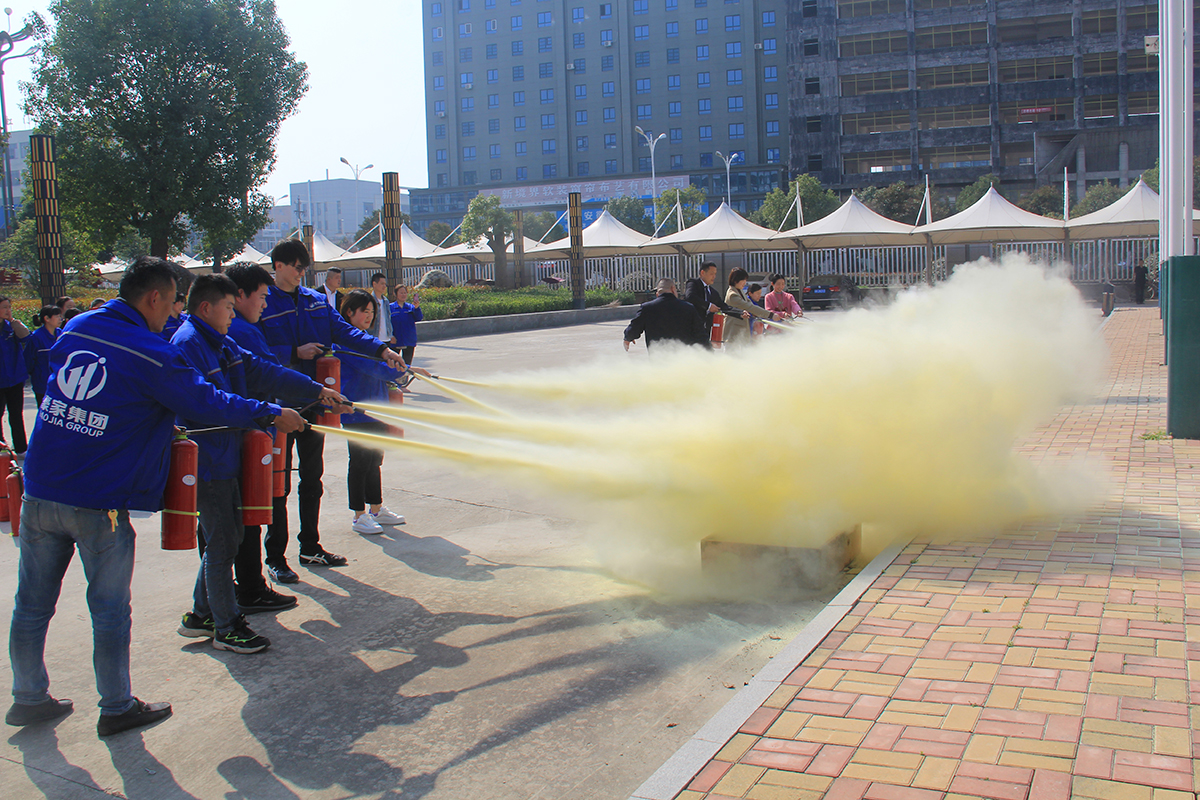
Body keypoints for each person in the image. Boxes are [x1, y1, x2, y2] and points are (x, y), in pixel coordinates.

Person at [7, 257, 305, 737]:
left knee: (32, 604)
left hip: (39, 490)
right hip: (97, 500)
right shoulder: (151, 353)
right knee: (108, 609)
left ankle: (28, 698)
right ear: (153, 298)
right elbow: (207, 401)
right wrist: (270, 414)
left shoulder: (79, 327)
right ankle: (117, 705)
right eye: (170, 303)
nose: (172, 315)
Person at [172, 275, 346, 654]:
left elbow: (263, 371)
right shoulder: (188, 345)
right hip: (208, 462)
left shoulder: (219, 340)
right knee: (221, 545)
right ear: (206, 308)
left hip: (225, 455)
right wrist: (271, 413)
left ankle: (202, 613)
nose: (233, 315)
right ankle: (226, 626)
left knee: (226, 540)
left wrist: (316, 391)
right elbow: (211, 402)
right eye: (229, 308)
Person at [257, 240, 406, 583]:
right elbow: (254, 351)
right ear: (277, 266)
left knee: (312, 478)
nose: (300, 272)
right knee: (278, 484)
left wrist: (382, 350)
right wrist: (294, 352)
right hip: (279, 406)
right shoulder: (264, 303)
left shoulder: (314, 302)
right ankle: (275, 556)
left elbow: (345, 332)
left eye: (303, 266)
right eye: (294, 266)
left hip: (314, 403)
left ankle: (310, 546)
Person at [222, 264, 308, 614]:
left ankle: (245, 588)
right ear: (238, 296)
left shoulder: (240, 330)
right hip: (243, 439)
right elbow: (266, 374)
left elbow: (268, 371)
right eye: (260, 297)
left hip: (254, 432)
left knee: (250, 514)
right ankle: (243, 594)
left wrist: (315, 390)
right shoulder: (239, 333)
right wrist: (279, 411)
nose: (264, 305)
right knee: (245, 518)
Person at [337, 290, 418, 534]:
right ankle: (359, 515)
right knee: (360, 462)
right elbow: (374, 368)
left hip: (377, 409)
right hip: (356, 411)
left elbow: (382, 366)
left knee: (374, 461)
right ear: (350, 312)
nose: (369, 316)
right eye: (365, 311)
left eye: (372, 312)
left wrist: (404, 371)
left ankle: (376, 508)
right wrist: (404, 371)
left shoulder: (368, 340)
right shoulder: (345, 343)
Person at [623, 278, 707, 351]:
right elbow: (700, 334)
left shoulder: (647, 308)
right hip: (682, 359)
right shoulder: (688, 308)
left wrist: (628, 338)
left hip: (658, 358)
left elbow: (634, 328)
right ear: (673, 289)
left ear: (657, 294)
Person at [683, 262, 748, 345]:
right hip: (691, 328)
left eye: (715, 274)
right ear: (702, 273)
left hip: (705, 331)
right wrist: (708, 306)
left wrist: (740, 313)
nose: (714, 277)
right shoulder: (693, 283)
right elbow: (690, 297)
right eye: (711, 274)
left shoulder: (713, 292)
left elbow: (723, 307)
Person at [0, 297, 30, 454]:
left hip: (14, 378)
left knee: (16, 414)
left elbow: (26, 337)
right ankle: (1, 446)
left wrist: (13, 321)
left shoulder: (11, 326)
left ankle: (21, 448)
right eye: (4, 307)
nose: (8, 310)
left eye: (9, 307)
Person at [722, 269, 773, 348]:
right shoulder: (733, 295)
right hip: (733, 335)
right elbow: (750, 307)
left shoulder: (740, 291)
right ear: (735, 280)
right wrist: (770, 315)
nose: (745, 283)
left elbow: (751, 305)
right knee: (732, 358)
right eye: (743, 280)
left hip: (741, 335)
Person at [26, 305, 63, 408]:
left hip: (61, 383)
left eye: (60, 316)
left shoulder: (62, 334)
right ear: (46, 318)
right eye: (57, 316)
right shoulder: (36, 337)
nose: (60, 319)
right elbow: (28, 361)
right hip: (42, 384)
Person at [390, 284, 423, 367]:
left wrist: (417, 308)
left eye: (405, 293)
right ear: (395, 294)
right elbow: (386, 323)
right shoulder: (390, 308)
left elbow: (419, 318)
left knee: (406, 366)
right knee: (393, 366)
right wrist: (390, 335)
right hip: (395, 341)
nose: (403, 295)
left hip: (408, 340)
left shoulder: (411, 307)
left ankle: (404, 380)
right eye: (401, 293)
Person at [368, 273, 395, 345]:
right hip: (374, 338)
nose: (384, 286)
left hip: (387, 339)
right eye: (382, 284)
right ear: (374, 284)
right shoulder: (369, 300)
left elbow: (388, 319)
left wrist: (391, 334)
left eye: (385, 284)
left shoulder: (385, 301)